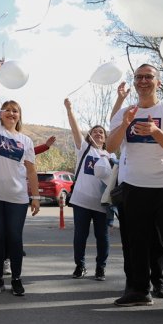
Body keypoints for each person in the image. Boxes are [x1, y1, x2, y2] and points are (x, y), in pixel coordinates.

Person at [108, 64, 163, 324]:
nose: (143, 81)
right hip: (134, 189)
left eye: (149, 77)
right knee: (136, 245)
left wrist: (156, 132)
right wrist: (124, 125)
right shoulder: (126, 113)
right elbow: (112, 147)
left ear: (158, 82)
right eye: (139, 77)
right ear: (134, 83)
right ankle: (138, 290)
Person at [0, 61, 39, 297]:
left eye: (16, 110)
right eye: (7, 109)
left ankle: (16, 278)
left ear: (19, 116)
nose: (11, 112)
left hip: (17, 197)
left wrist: (34, 196)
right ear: (0, 115)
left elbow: (32, 171)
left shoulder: (26, 141)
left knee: (14, 238)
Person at [110, 81, 163, 298]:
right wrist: (120, 100)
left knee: (157, 239)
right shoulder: (124, 127)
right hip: (128, 189)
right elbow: (115, 124)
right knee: (131, 241)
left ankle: (158, 281)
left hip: (156, 188)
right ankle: (133, 282)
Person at [64, 98, 113, 282]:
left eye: (102, 132)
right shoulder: (84, 149)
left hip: (102, 204)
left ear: (106, 138)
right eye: (95, 131)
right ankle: (80, 266)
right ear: (90, 136)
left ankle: (101, 268)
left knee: (103, 237)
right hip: (81, 202)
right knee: (80, 236)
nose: (99, 133)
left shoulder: (111, 155)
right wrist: (70, 109)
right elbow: (74, 128)